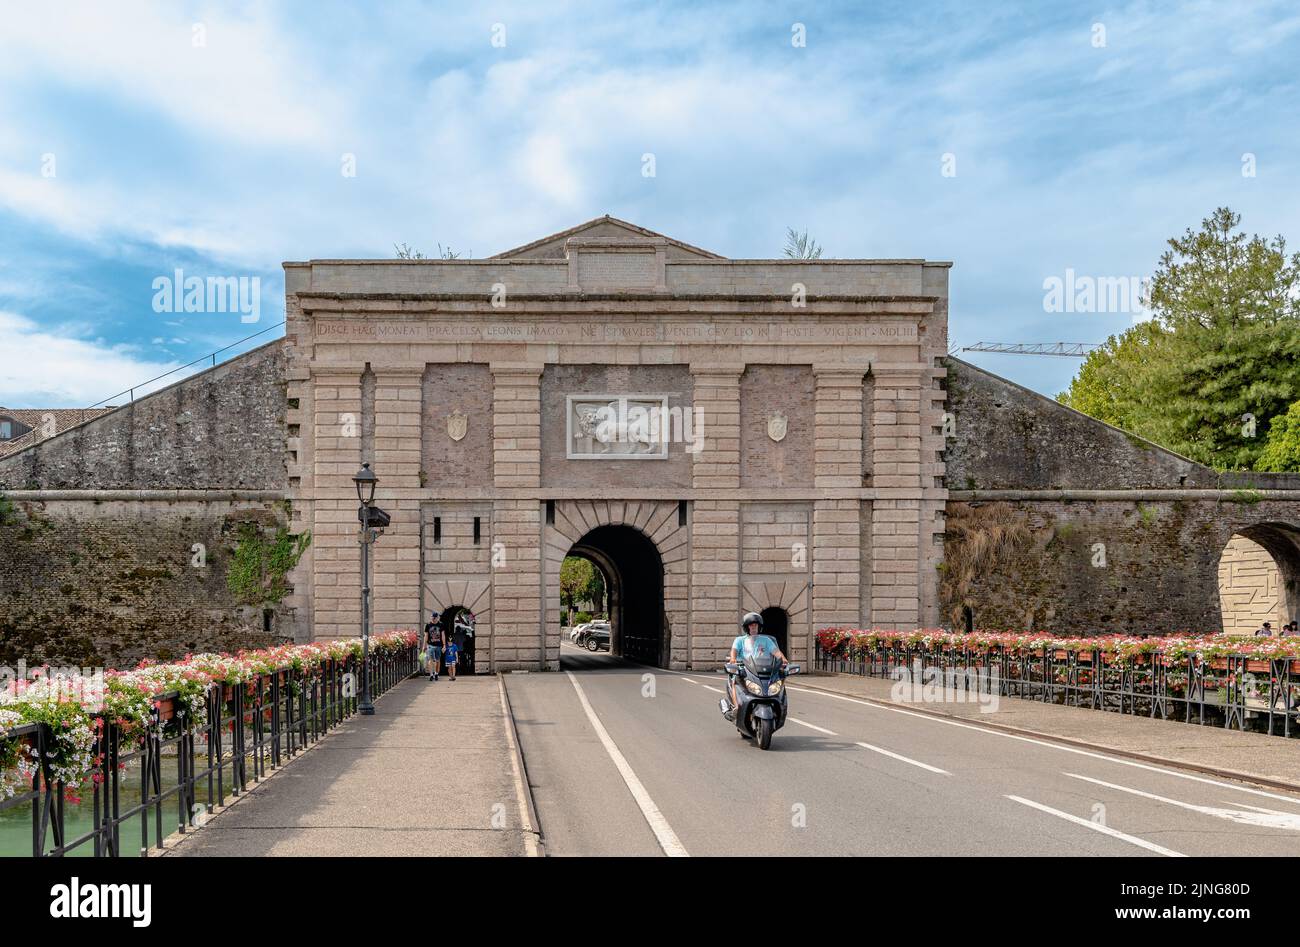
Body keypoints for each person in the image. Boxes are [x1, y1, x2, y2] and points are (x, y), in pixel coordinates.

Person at [724, 611, 787, 719]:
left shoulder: (766, 640)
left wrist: (783, 659)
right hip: (744, 669)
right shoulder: (740, 640)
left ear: (759, 626)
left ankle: (781, 707)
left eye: (755, 625)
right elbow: (734, 651)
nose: (753, 627)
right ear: (746, 627)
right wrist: (733, 659)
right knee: (735, 681)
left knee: (779, 681)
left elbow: (776, 652)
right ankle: (736, 708)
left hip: (762, 669)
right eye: (751, 625)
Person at [424, 610, 443, 682]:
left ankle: (435, 673)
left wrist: (444, 645)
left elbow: (443, 635)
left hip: (438, 645)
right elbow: (426, 636)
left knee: (436, 660)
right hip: (430, 645)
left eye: (434, 617)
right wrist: (424, 646)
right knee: (431, 660)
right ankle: (432, 674)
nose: (432, 619)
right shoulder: (428, 625)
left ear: (436, 618)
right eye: (432, 617)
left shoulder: (441, 624)